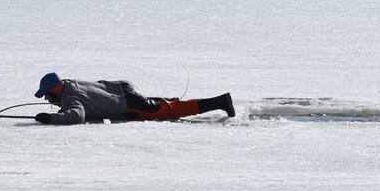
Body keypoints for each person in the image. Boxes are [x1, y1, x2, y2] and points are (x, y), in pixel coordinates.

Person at [32, 72, 235, 125]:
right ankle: (217, 101)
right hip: (122, 89)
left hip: (127, 105)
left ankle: (220, 102)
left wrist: (51, 118)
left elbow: (77, 115)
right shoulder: (70, 84)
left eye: (47, 95)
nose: (47, 100)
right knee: (167, 105)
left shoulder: (70, 96)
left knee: (171, 111)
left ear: (55, 89)